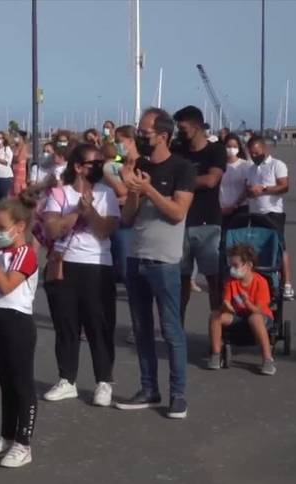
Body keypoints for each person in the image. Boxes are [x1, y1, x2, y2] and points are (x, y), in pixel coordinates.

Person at [115, 107, 195, 419]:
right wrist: (134, 190)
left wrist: (148, 189)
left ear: (163, 135)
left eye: (145, 133)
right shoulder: (140, 165)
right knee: (141, 328)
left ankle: (178, 394)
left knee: (171, 330)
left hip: (165, 261)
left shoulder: (182, 168)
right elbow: (126, 217)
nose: (140, 137)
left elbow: (177, 212)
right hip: (136, 257)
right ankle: (149, 388)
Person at [41, 143, 120, 406]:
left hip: (98, 265)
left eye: (101, 163)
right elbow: (51, 229)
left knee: (99, 324)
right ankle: (67, 379)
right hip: (65, 264)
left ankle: (104, 381)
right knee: (66, 324)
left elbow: (106, 230)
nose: (98, 167)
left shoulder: (107, 194)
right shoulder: (59, 194)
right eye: (93, 163)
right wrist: (76, 212)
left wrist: (91, 211)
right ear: (78, 166)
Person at [0, 192, 40, 468]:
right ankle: (6, 435)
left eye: (1, 229)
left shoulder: (26, 254)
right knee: (6, 383)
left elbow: (5, 285)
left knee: (22, 384)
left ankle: (23, 443)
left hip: (17, 322)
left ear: (19, 227)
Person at [171, 106, 227, 323]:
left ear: (196, 126)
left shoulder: (216, 151)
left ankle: (217, 330)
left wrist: (180, 184)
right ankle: (177, 328)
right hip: (181, 223)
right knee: (181, 280)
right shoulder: (178, 150)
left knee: (213, 279)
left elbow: (211, 180)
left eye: (183, 128)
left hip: (208, 224)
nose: (180, 132)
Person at [207, 243, 276, 375]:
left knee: (254, 318)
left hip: (260, 316)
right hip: (238, 315)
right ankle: (216, 354)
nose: (233, 269)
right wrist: (226, 306)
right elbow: (226, 301)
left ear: (248, 265)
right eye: (231, 266)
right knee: (215, 315)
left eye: (236, 266)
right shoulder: (232, 282)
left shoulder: (260, 282)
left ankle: (267, 359)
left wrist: (246, 302)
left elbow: (258, 310)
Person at [244, 137, 294, 299]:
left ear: (265, 150)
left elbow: (284, 186)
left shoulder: (277, 165)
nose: (254, 156)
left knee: (280, 247)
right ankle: (261, 282)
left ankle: (287, 284)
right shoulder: (251, 169)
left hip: (273, 212)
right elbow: (247, 189)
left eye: (257, 153)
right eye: (251, 154)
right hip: (255, 212)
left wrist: (264, 188)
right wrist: (250, 191)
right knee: (255, 249)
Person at [109, 125, 141, 285]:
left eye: (119, 141)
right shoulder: (117, 161)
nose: (116, 145)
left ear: (130, 140)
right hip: (117, 214)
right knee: (119, 262)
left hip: (137, 217)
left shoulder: (143, 162)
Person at [219, 134, 250, 222]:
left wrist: (235, 206)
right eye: (228, 146)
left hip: (240, 208)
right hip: (221, 209)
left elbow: (247, 189)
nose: (231, 149)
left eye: (234, 146)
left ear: (239, 148)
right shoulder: (218, 165)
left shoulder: (245, 165)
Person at [10, 130, 29, 196]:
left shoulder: (24, 146)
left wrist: (13, 158)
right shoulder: (14, 147)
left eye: (17, 136)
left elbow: (19, 158)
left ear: (21, 137)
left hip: (20, 172)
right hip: (13, 171)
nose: (15, 138)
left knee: (19, 190)